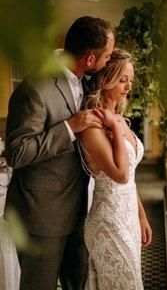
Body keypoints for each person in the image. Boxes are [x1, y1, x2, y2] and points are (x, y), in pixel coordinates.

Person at [4, 16, 115, 290]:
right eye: (107, 56)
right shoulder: (34, 88)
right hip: (40, 216)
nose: (107, 62)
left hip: (77, 207)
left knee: (76, 283)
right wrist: (69, 127)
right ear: (89, 59)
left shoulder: (86, 80)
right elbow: (16, 152)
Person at [79, 48, 152, 289]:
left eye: (131, 80)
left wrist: (140, 215)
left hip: (128, 218)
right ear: (104, 79)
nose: (128, 87)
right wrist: (116, 129)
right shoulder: (93, 124)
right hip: (108, 223)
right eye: (122, 80)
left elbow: (130, 178)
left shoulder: (117, 118)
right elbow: (120, 175)